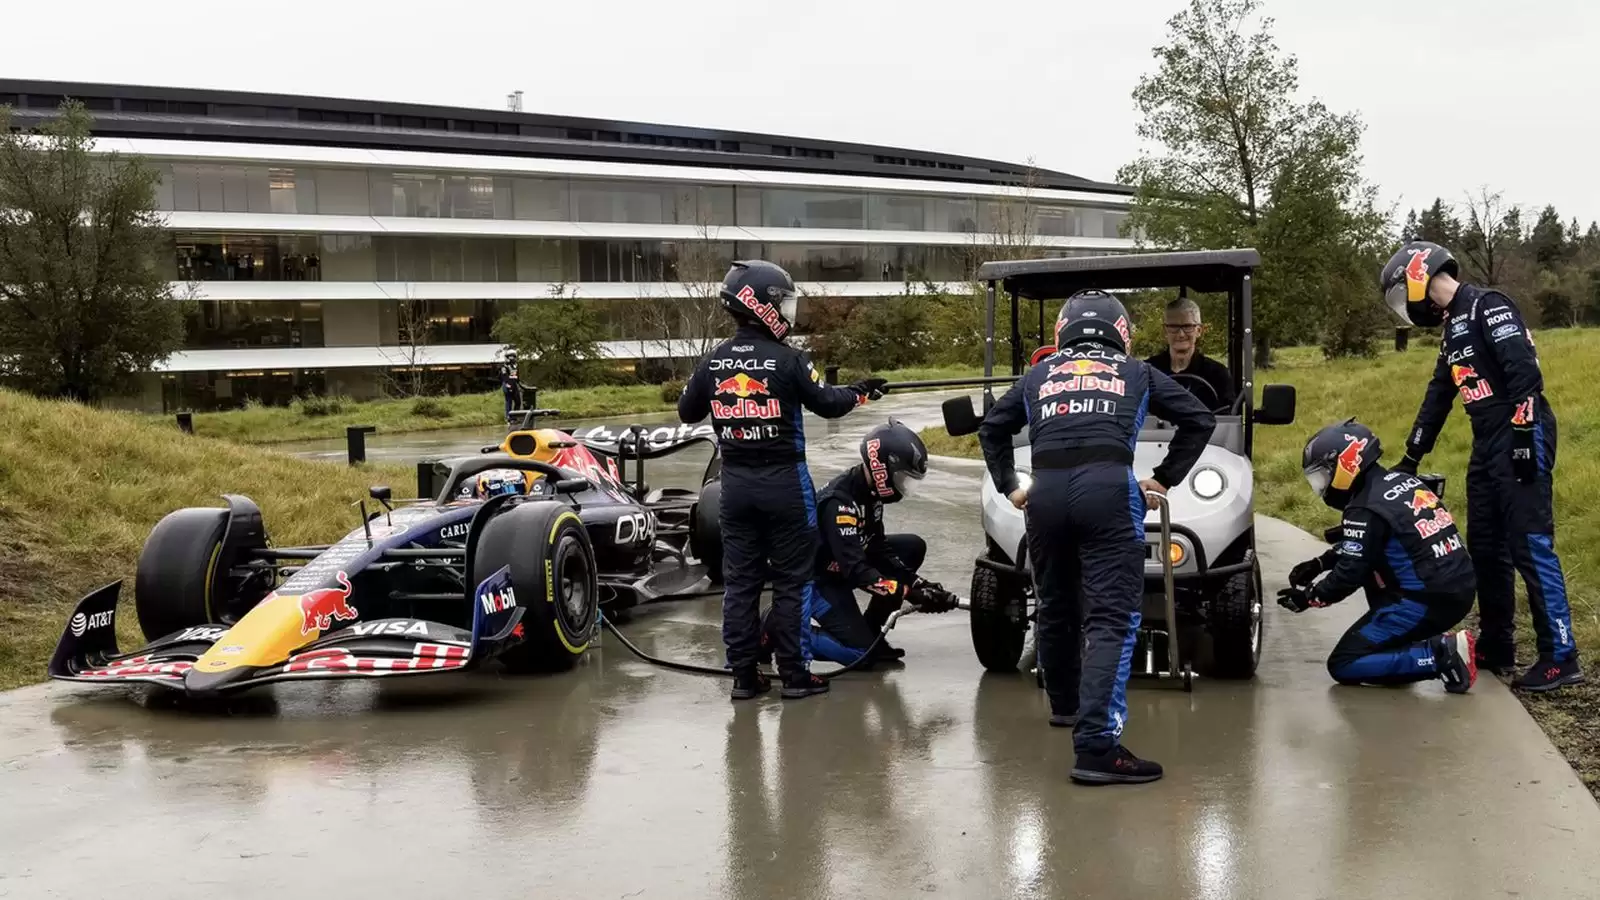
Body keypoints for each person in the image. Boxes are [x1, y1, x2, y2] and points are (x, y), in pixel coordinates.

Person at [978, 290, 1215, 785]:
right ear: (1121, 332)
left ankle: (1065, 707)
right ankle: (1096, 747)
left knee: (1057, 606)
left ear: (1063, 331)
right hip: (1109, 490)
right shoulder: (1138, 372)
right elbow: (1200, 418)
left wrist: (1009, 488)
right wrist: (1164, 479)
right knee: (1111, 618)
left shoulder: (1038, 374)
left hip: (1044, 494)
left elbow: (992, 431)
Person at [678, 260, 886, 701]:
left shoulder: (713, 361)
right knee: (793, 582)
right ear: (763, 304)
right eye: (784, 303)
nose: (789, 313)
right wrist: (862, 390)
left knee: (741, 584)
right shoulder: (790, 359)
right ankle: (794, 676)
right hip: (785, 486)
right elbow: (830, 404)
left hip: (734, 487)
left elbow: (686, 411)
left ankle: (743, 676)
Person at [1379, 240, 1582, 691]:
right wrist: (1410, 457)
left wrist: (1526, 436)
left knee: (1530, 542)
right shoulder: (1452, 329)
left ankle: (1561, 655)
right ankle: (1498, 645)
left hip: (1519, 430)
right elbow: (1438, 397)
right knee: (1487, 548)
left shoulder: (1488, 305)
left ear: (1418, 276)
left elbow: (1525, 374)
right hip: (1486, 439)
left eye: (1400, 294)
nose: (1404, 306)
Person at [1277, 420, 1478, 693]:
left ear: (1346, 464)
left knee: (1344, 663)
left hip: (1426, 600)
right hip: (1456, 587)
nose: (1321, 487)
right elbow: (1371, 544)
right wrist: (1321, 562)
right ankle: (1409, 645)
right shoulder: (1401, 481)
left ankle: (1440, 654)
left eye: (1322, 476)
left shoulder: (1363, 508)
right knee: (1379, 572)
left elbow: (1350, 573)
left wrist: (1309, 597)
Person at [762, 419, 959, 668]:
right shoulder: (840, 505)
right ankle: (780, 627)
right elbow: (857, 572)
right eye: (902, 478)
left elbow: (877, 548)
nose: (903, 487)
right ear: (882, 468)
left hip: (842, 566)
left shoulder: (870, 492)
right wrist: (908, 593)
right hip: (817, 579)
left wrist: (920, 583)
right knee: (860, 656)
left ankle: (871, 629)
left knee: (912, 547)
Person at [1144, 297, 1235, 411]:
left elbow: (1228, 420)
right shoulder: (1147, 371)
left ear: (1199, 330)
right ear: (1165, 331)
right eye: (1174, 327)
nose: (1181, 334)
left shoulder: (1218, 374)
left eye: (1187, 327)